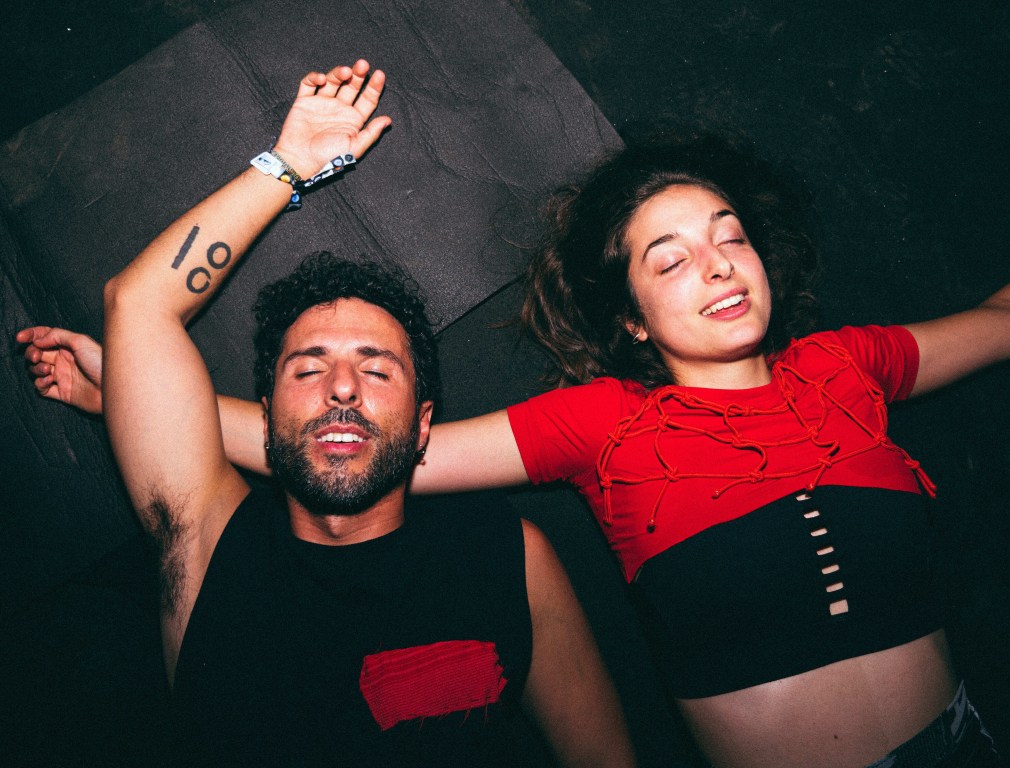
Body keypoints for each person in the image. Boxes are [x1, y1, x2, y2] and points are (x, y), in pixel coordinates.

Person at [21, 132, 1010, 767]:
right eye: (671, 258)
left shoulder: (850, 364)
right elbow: (364, 443)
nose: (718, 266)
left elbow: (1006, 319)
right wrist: (135, 392)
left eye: (729, 238)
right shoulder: (601, 423)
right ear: (631, 318)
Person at [20, 60, 636, 768]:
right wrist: (286, 166)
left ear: (424, 423)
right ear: (266, 415)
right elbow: (138, 303)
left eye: (377, 369)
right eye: (308, 368)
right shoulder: (208, 541)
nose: (342, 387)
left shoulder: (506, 555)